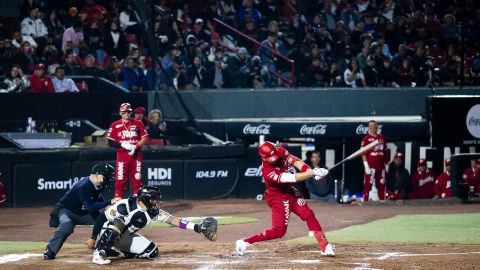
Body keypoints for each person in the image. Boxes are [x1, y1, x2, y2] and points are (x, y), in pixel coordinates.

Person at [235, 141, 335, 257]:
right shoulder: (268, 172)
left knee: (308, 214)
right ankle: (244, 242)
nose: (275, 159)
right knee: (279, 231)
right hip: (278, 198)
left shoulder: (280, 151)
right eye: (271, 158)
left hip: (290, 191)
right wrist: (312, 173)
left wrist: (308, 170)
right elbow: (293, 178)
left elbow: (295, 161)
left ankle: (325, 246)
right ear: (264, 158)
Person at [90, 185, 217, 264]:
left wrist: (197, 227)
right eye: (154, 199)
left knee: (152, 252)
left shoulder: (153, 212)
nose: (156, 202)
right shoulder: (125, 205)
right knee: (118, 222)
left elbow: (173, 220)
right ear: (145, 198)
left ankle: (117, 251)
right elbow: (102, 217)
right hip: (107, 231)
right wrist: (93, 238)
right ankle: (100, 252)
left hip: (123, 238)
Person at [43, 162, 119, 260]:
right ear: (96, 175)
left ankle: (105, 248)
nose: (108, 178)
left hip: (84, 213)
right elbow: (90, 207)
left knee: (106, 220)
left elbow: (97, 198)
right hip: (67, 211)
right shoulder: (83, 185)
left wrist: (105, 210)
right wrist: (110, 202)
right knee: (67, 226)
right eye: (106, 176)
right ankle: (50, 250)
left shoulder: (99, 183)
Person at [107, 103, 148, 198]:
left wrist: (135, 146)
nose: (126, 113)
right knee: (120, 181)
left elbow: (145, 138)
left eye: (128, 111)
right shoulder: (114, 125)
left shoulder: (138, 123)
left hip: (136, 156)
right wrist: (122, 144)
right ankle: (117, 206)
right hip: (122, 156)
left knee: (137, 180)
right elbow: (110, 142)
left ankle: (136, 205)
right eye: (124, 112)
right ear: (120, 113)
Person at [361, 120, 388, 201]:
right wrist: (366, 165)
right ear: (369, 127)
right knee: (367, 186)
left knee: (382, 185)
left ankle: (382, 203)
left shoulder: (382, 137)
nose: (373, 128)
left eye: (375, 126)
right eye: (371, 126)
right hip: (371, 166)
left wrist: (386, 163)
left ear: (377, 127)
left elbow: (385, 151)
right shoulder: (366, 139)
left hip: (381, 166)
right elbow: (362, 153)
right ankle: (365, 202)